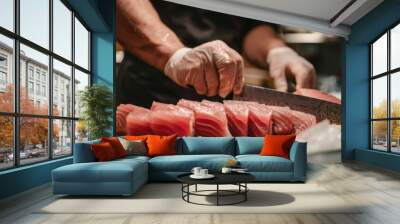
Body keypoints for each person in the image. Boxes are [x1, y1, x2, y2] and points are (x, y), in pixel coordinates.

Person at [116, 0, 316, 108]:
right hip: (149, 95)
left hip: (221, 101)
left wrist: (276, 50)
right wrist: (172, 56)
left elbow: (250, 25)